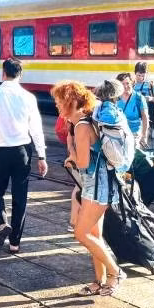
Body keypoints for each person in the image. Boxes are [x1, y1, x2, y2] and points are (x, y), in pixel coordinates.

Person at [53, 80, 126, 296]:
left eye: (59, 102)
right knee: (94, 234)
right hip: (93, 184)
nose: (57, 106)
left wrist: (71, 154)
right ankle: (99, 281)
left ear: (71, 102)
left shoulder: (83, 126)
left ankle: (116, 272)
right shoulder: (80, 124)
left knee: (81, 233)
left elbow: (83, 163)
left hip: (97, 185)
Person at [0, 58, 47, 254]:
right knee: (20, 197)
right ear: (20, 75)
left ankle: (2, 224)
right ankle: (15, 244)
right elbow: (36, 129)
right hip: (22, 152)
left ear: (3, 74)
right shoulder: (28, 97)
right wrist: (42, 156)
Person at [133, 62, 154, 139]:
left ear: (146, 74)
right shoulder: (131, 85)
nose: (141, 78)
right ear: (135, 73)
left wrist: (151, 98)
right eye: (139, 75)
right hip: (134, 119)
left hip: (149, 119)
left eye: (143, 76)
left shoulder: (151, 85)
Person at [116, 72, 148, 149]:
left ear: (132, 83)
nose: (125, 86)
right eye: (122, 84)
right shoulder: (115, 98)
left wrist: (144, 136)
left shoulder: (139, 98)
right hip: (118, 134)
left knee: (132, 157)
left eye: (127, 83)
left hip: (134, 134)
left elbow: (145, 117)